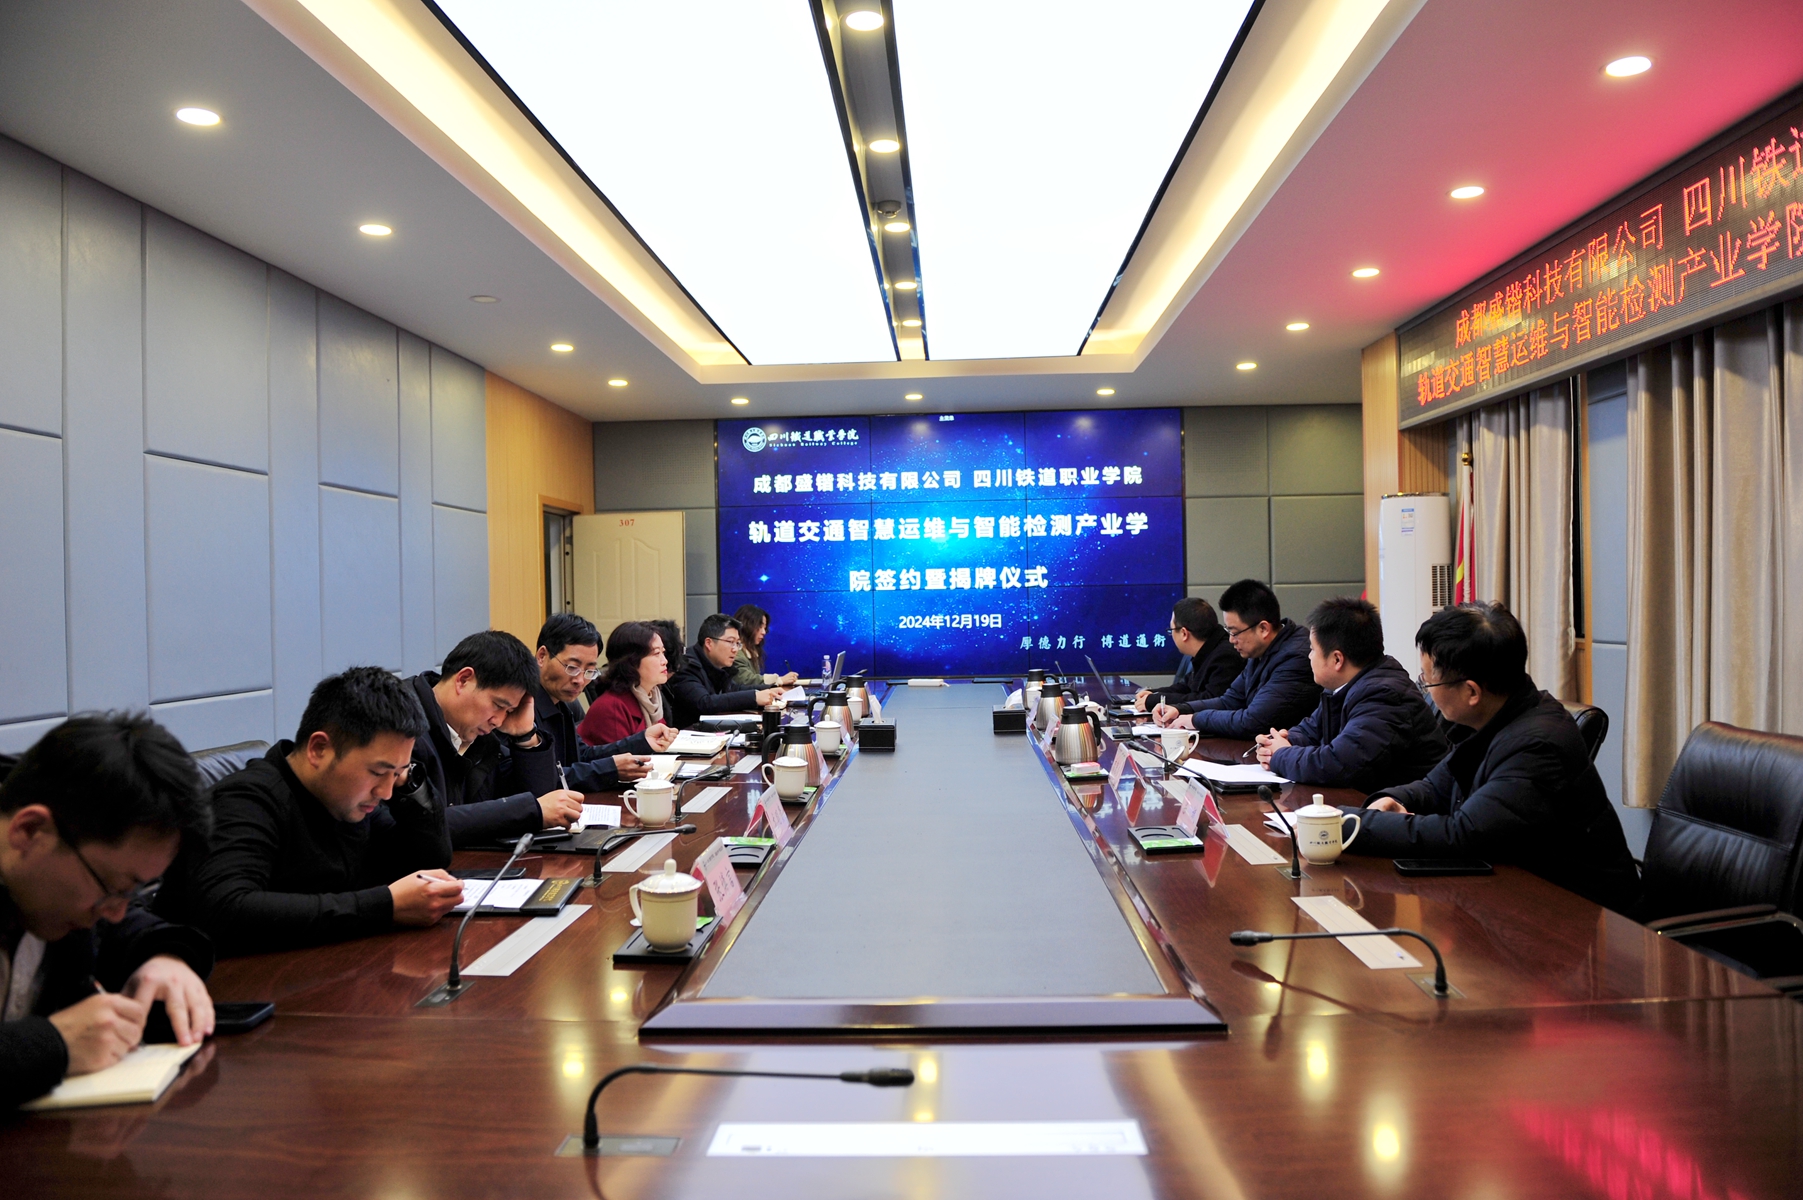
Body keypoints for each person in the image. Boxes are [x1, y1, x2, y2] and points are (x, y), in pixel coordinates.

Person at [1344, 603, 1640, 913]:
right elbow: (1435, 787)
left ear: (1471, 692)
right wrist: (1392, 800)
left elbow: (1462, 835)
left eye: (1427, 681)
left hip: (1582, 916)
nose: (1426, 690)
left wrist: (1350, 825)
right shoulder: (1494, 717)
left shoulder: (1537, 746)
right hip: (1517, 897)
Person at [153, 668, 462, 956]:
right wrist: (385, 906)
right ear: (319, 749)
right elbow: (226, 909)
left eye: (396, 773)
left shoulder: (349, 800)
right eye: (378, 772)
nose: (386, 792)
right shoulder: (244, 801)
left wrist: (409, 782)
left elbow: (428, 859)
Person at [2, 715, 217, 1108]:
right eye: (113, 890)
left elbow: (119, 924)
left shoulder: (56, 876)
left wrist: (163, 955)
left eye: (134, 891)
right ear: (29, 831)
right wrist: (55, 1043)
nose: (116, 912)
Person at [407, 630, 584, 848]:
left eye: (509, 711)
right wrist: (530, 810)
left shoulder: (482, 737)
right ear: (463, 679)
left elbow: (542, 801)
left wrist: (525, 735)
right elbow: (423, 826)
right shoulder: (403, 728)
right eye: (498, 705)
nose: (499, 721)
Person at [1254, 597, 1447, 791]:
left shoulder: (1383, 696)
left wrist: (1281, 755)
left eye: (1312, 649)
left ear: (1337, 659)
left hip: (1402, 805)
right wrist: (1279, 742)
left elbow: (1338, 765)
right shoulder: (1344, 685)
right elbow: (1311, 730)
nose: (1309, 656)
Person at [1153, 580, 1321, 738]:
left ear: (1263, 629)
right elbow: (1229, 701)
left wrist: (1194, 719)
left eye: (1235, 632)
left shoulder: (1295, 658)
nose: (1231, 640)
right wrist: (1180, 709)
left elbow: (1252, 721)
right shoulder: (1260, 650)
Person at [530, 614, 674, 788]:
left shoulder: (562, 704)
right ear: (542, 656)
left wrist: (642, 741)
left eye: (589, 671)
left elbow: (582, 755)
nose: (580, 680)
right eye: (572, 667)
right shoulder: (521, 708)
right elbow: (542, 780)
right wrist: (611, 769)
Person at [666, 614, 782, 729]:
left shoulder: (718, 664)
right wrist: (754, 697)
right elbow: (705, 703)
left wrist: (768, 689)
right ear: (709, 643)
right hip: (688, 735)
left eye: (737, 643)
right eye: (730, 642)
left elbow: (734, 688)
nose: (735, 649)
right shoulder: (686, 665)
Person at [580, 621, 678, 747]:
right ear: (632, 660)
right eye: (656, 653)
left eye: (663, 653)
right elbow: (624, 756)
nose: (664, 661)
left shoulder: (652, 697)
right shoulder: (612, 707)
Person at [1135, 597, 1240, 711]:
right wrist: (1153, 694)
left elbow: (1211, 700)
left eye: (1171, 630)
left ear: (1184, 633)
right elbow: (1187, 687)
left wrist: (1158, 700)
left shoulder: (1226, 656)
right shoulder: (1208, 648)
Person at [729, 604, 800, 689]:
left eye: (765, 628)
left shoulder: (751, 652)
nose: (764, 632)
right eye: (760, 627)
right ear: (747, 626)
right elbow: (745, 680)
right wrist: (779, 680)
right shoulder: (735, 652)